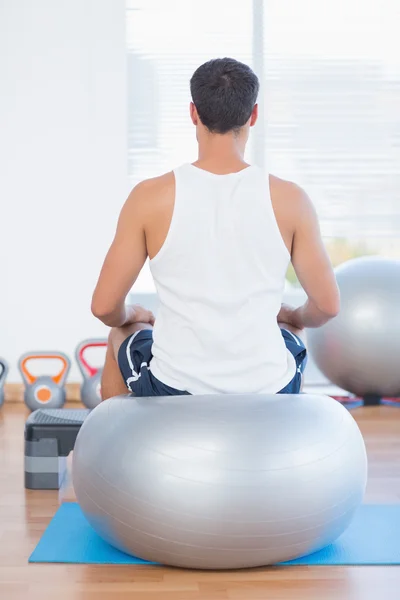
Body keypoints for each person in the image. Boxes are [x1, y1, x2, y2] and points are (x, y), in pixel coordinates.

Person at [91, 57, 340, 400]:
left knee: (121, 331)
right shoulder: (291, 199)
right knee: (293, 330)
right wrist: (292, 317)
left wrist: (134, 314)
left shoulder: (149, 197)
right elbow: (326, 307)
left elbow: (105, 308)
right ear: (253, 115)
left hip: (174, 388)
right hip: (269, 391)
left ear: (193, 113)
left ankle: (105, 450)